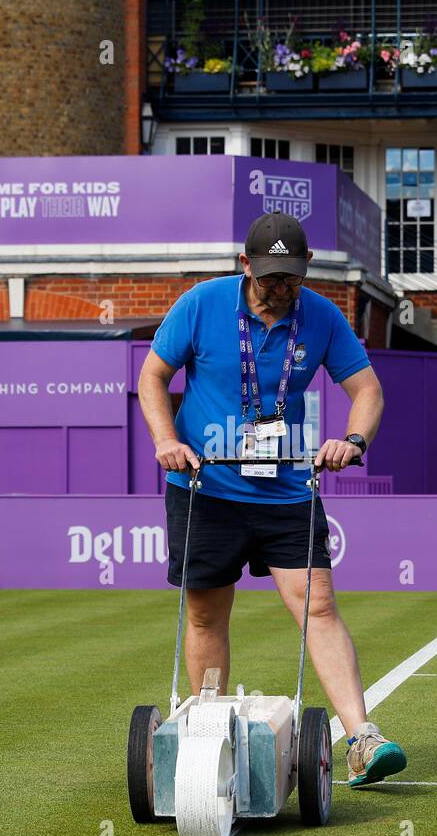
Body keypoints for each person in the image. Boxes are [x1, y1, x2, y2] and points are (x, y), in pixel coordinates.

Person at [138, 209, 407, 789]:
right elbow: (152, 376)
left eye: (290, 278)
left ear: (307, 268)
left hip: (286, 488)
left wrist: (353, 441)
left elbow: (367, 390)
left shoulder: (323, 319)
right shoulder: (202, 305)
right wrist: (166, 440)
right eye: (268, 279)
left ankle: (361, 738)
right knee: (207, 611)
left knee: (319, 606)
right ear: (245, 267)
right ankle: (207, 731)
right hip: (205, 485)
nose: (280, 290)